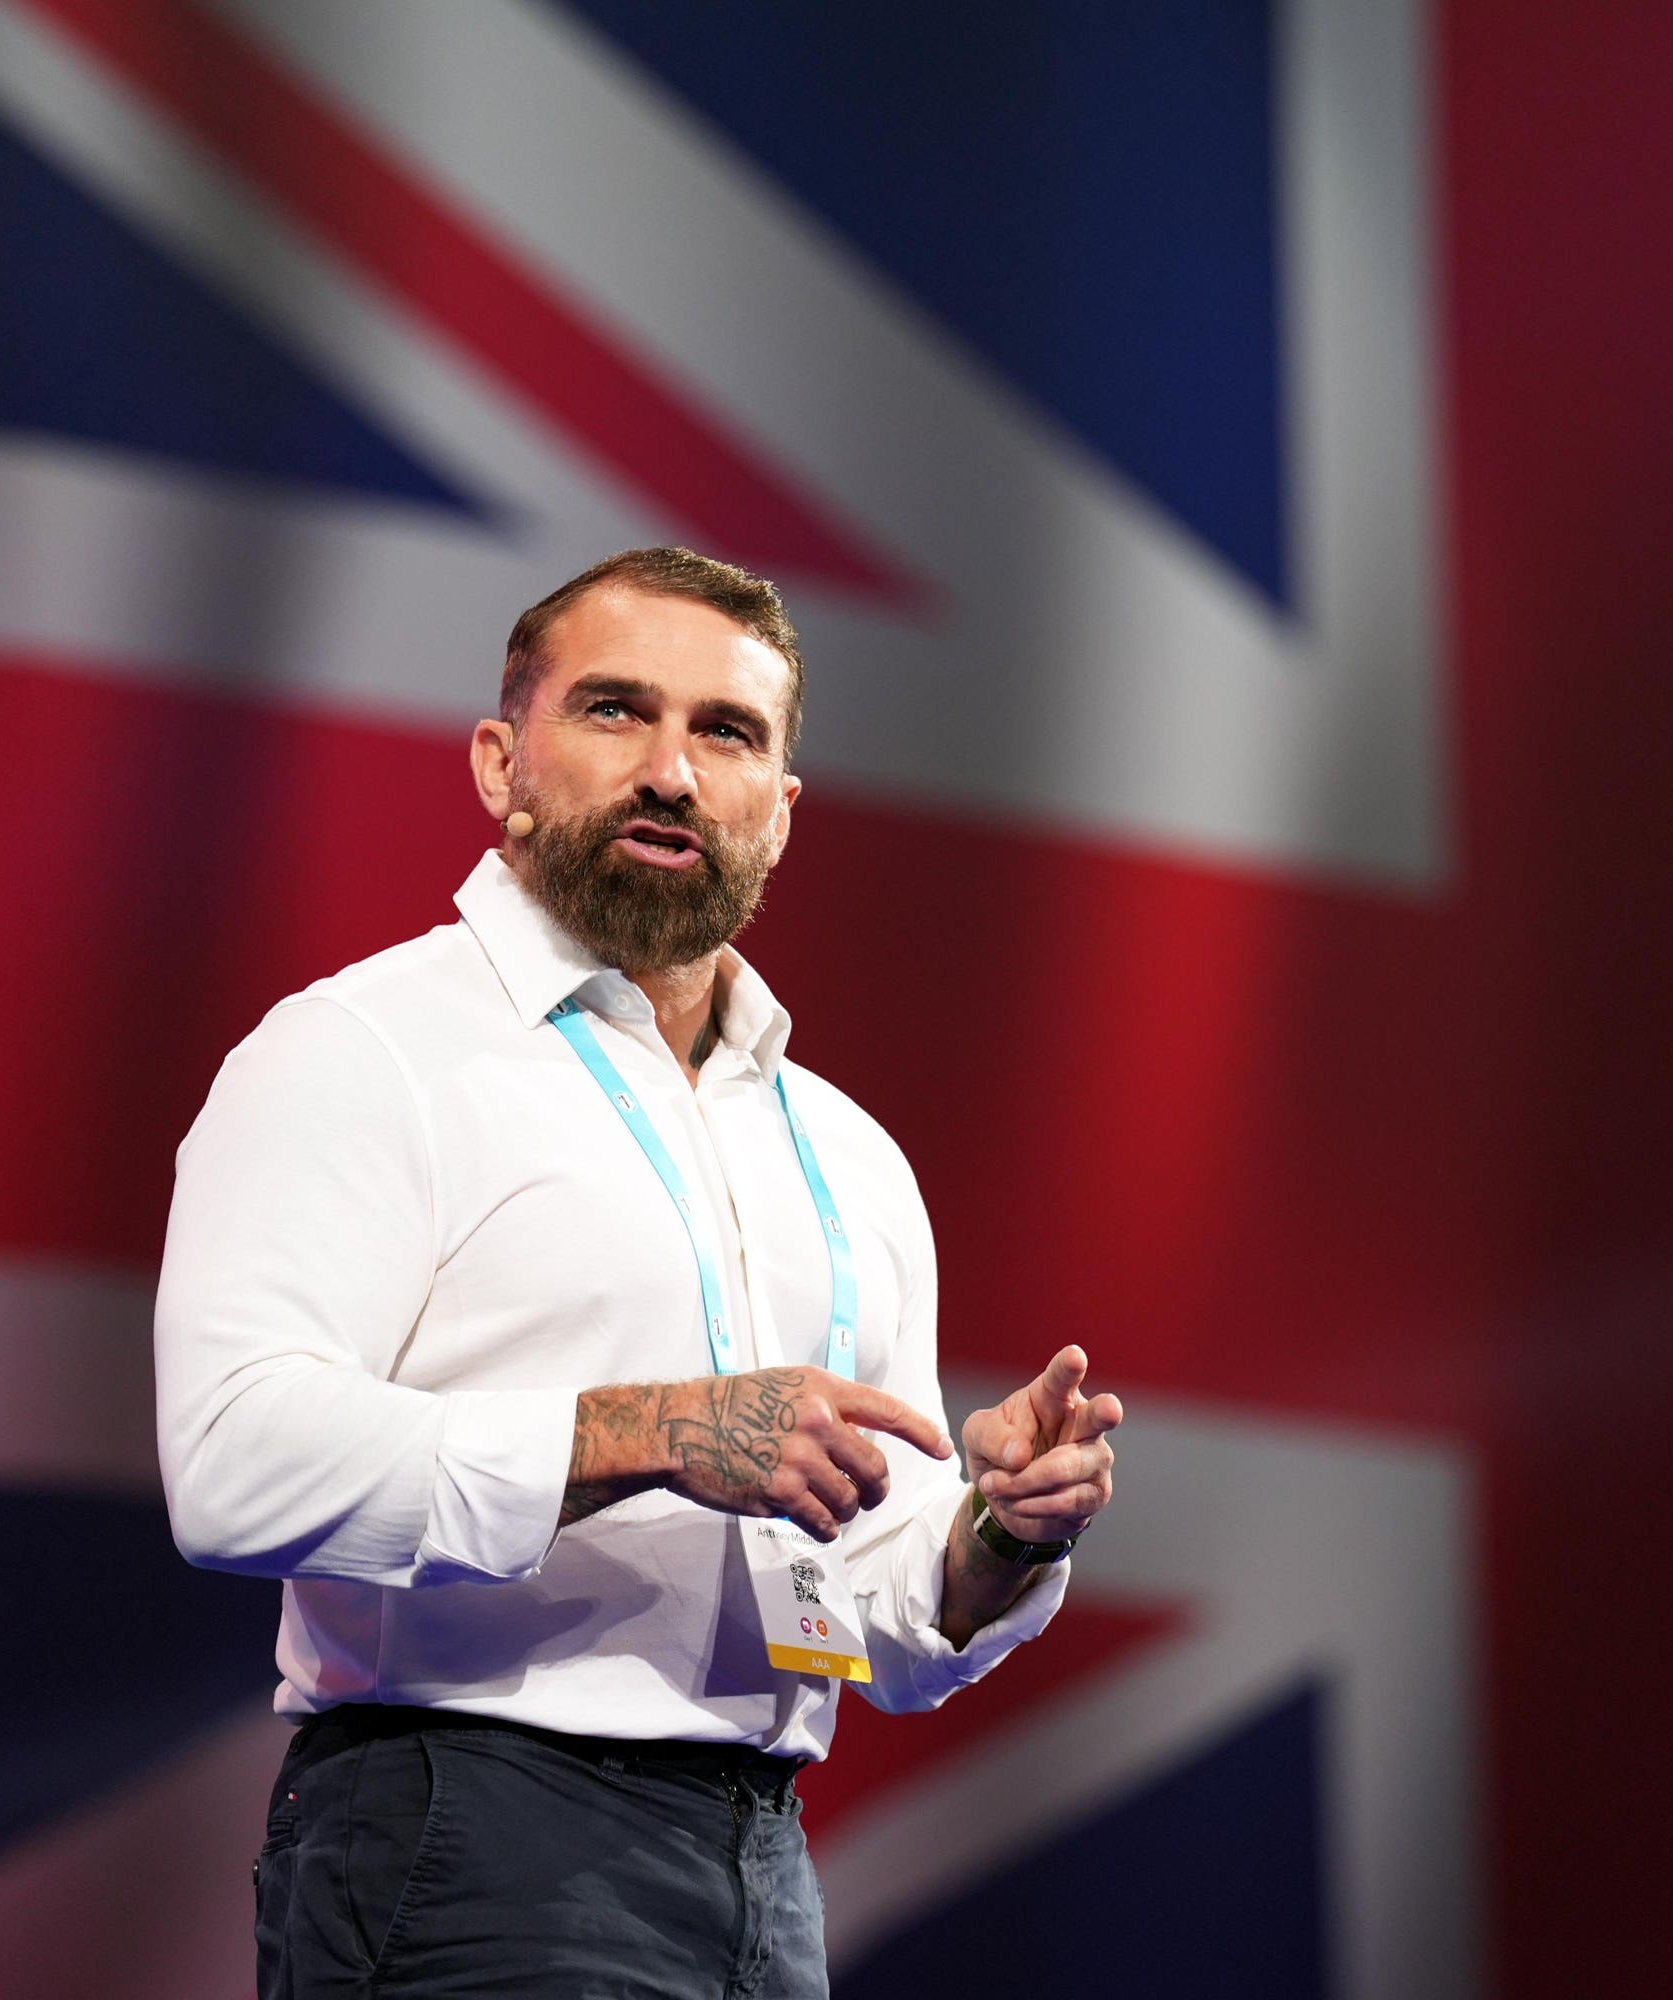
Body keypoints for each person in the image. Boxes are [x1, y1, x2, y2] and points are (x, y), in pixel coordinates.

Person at [154, 546, 1124, 1999]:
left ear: (780, 813)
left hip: (761, 1869)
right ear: (502, 763)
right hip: (464, 1841)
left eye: (725, 732)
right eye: (617, 712)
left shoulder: (847, 1155)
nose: (673, 771)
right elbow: (235, 1467)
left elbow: (878, 1620)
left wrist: (999, 1535)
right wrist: (657, 1431)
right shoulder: (361, 1053)